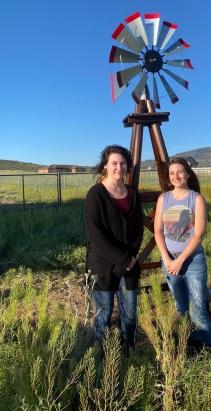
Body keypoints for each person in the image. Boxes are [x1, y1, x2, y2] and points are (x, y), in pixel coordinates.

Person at [84, 145, 143, 353]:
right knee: (104, 312)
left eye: (123, 163)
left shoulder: (133, 195)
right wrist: (123, 259)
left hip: (129, 265)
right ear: (105, 166)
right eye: (115, 163)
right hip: (103, 265)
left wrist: (130, 259)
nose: (119, 167)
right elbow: (95, 235)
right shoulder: (96, 194)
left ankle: (129, 351)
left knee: (129, 313)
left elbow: (137, 231)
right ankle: (101, 354)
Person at [154, 157, 211, 351]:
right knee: (182, 308)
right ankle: (190, 344)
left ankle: (208, 350)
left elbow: (198, 233)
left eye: (180, 172)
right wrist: (167, 259)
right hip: (170, 260)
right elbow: (157, 231)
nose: (176, 176)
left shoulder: (196, 198)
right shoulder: (163, 198)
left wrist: (180, 260)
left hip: (192, 260)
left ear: (188, 174)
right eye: (172, 173)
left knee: (198, 309)